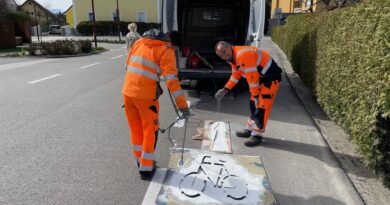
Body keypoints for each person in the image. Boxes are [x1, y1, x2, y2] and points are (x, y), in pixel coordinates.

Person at [122, 29, 190, 179]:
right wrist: (183, 106)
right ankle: (146, 169)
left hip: (127, 93)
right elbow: (172, 80)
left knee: (136, 129)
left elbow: (127, 65)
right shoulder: (165, 50)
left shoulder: (139, 42)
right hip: (145, 98)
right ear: (172, 43)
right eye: (176, 48)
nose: (175, 52)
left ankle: (140, 161)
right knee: (150, 131)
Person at [214, 41, 282, 147]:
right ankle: (249, 130)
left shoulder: (242, 55)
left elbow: (252, 78)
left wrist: (255, 95)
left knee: (261, 106)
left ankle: (257, 135)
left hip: (270, 79)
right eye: (221, 55)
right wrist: (225, 89)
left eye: (224, 51)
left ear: (229, 47)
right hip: (262, 79)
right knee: (253, 104)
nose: (224, 56)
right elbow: (236, 75)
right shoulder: (233, 58)